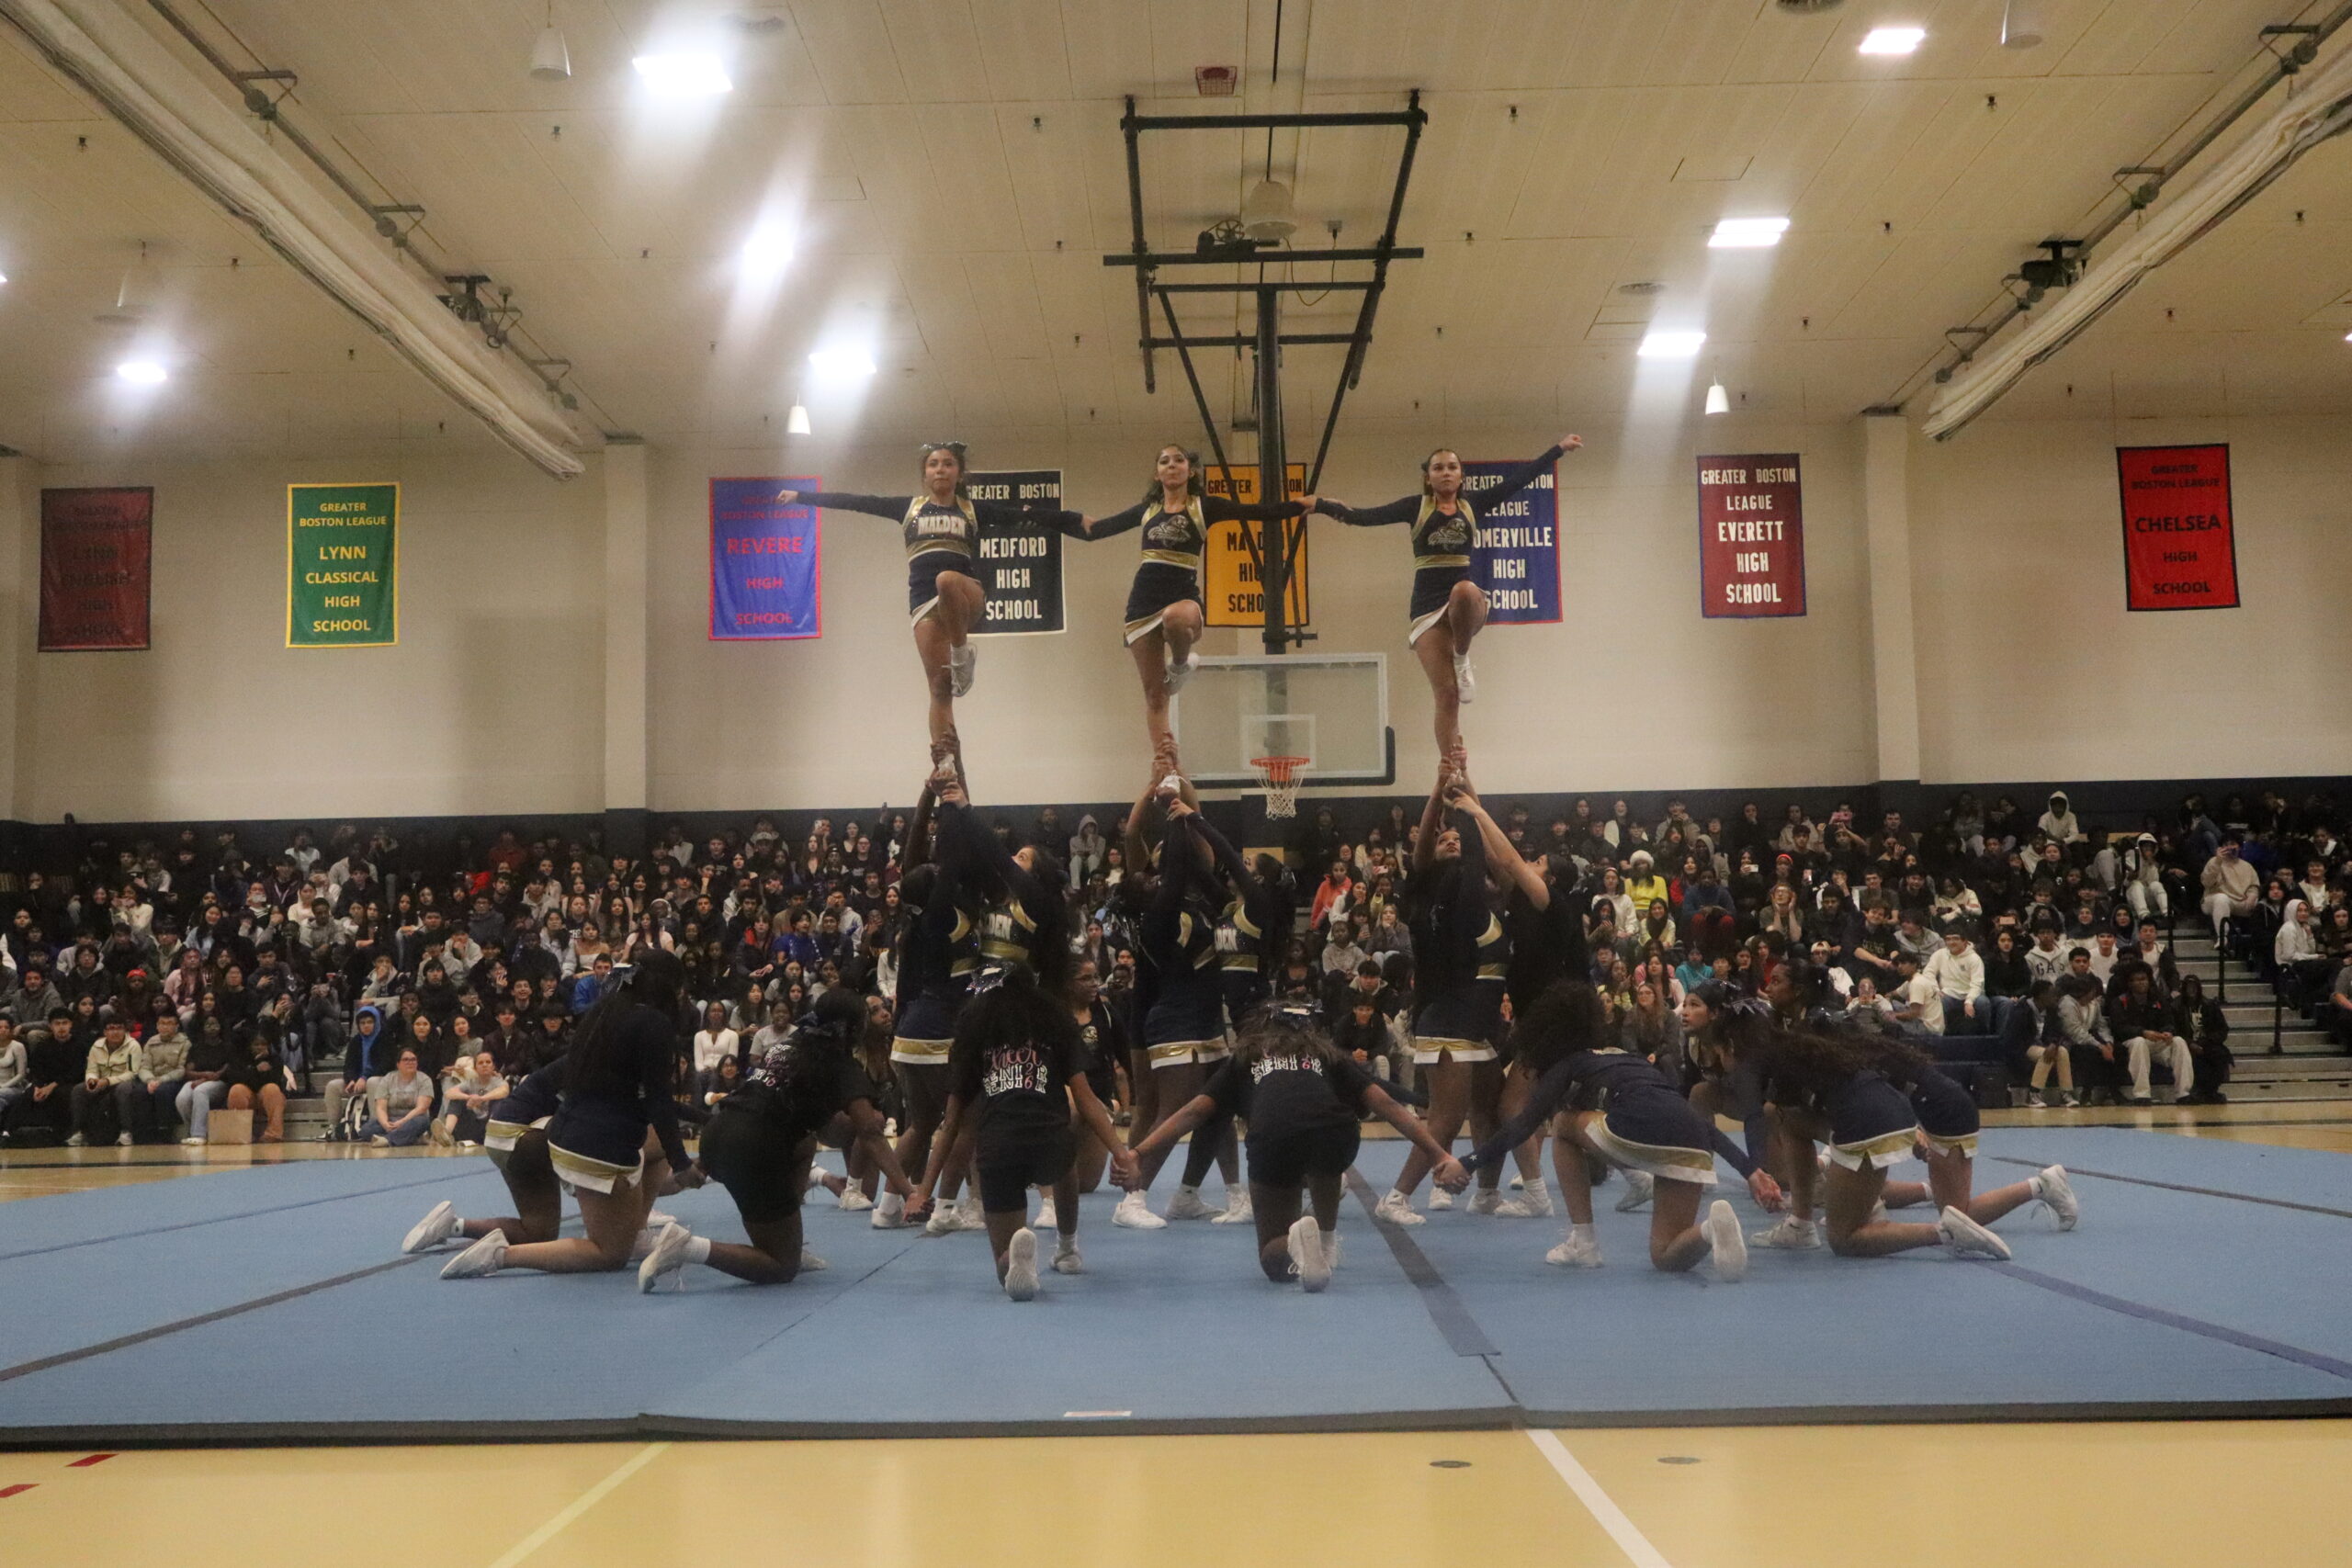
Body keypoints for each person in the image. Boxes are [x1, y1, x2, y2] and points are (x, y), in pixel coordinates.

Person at [1126, 1007, 1462, 1290]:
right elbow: (1386, 1104)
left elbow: (1192, 1112)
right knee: (1325, 1151)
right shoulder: (1328, 1055)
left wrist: (1139, 1152)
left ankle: (1294, 1246)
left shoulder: (1245, 1057)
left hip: (1275, 1136)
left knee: (1272, 1258)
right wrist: (1440, 1154)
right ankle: (1326, 1241)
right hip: (1336, 1134)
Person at [777, 447, 1084, 755]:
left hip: (966, 595)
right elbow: (856, 502)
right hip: (924, 603)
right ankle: (945, 761)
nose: (940, 469)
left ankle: (961, 654)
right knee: (939, 688)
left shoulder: (972, 510)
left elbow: (1023, 515)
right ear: (925, 474)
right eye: (933, 464)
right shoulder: (909, 508)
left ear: (959, 474)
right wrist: (801, 496)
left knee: (946, 579)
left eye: (948, 464)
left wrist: (1076, 520)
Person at [1442, 982, 1747, 1277]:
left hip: (1641, 1125)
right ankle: (1711, 1229)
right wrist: (1751, 1171)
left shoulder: (1569, 1064)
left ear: (1546, 1032)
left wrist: (1467, 1162)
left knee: (1563, 1124)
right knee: (1665, 1256)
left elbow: (1523, 1125)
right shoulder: (1625, 1057)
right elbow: (1695, 1121)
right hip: (1692, 1140)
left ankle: (1583, 1242)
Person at [1308, 433, 1581, 752]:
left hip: (1465, 605)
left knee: (1463, 590)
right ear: (1428, 477)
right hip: (1427, 607)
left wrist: (1558, 449)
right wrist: (1321, 505)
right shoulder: (1415, 507)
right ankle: (1450, 766)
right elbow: (1365, 517)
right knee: (1447, 695)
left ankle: (1462, 657)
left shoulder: (1473, 505)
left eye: (1452, 467)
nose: (1446, 472)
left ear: (1461, 475)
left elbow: (1519, 480)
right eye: (1438, 468)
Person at [440, 951, 705, 1280]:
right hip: (597, 1143)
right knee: (609, 1254)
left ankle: (632, 1229)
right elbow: (658, 1101)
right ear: (670, 988)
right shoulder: (654, 1023)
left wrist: (703, 1122)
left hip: (568, 1132)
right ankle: (500, 1255)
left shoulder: (605, 1012)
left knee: (653, 1154)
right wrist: (682, 1164)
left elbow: (646, 1098)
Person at [642, 987, 918, 1290]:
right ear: (852, 1028)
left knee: (804, 1142)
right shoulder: (841, 1066)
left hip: (720, 1129)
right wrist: (909, 1192)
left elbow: (825, 1128)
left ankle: (787, 1239)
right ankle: (687, 1247)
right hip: (752, 1148)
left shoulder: (793, 1042)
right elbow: (871, 1135)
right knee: (781, 1266)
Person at [1067, 445, 1310, 771]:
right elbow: (1094, 530)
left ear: (1190, 471)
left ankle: (1180, 666)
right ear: (1157, 474)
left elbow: (1259, 513)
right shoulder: (1148, 510)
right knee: (1155, 696)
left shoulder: (1204, 507)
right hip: (1142, 603)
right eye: (1164, 461)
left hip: (1183, 596)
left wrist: (1305, 505)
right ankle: (1166, 767)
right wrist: (1036, 516)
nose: (1171, 465)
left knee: (1175, 619)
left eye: (1178, 460)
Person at [913, 962, 1136, 1300]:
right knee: (1065, 1162)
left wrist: (923, 1191)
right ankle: (1067, 1246)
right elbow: (1086, 1098)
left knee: (1005, 1267)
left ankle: (1013, 1260)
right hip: (1049, 1138)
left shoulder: (975, 1037)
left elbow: (951, 1123)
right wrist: (1122, 1153)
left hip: (997, 1146)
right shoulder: (1055, 1025)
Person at [1373, 761, 1511, 1225]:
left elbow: (1489, 849)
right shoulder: (1424, 890)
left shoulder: (1483, 896)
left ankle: (1487, 1192)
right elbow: (1433, 849)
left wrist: (1465, 790)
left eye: (1456, 838)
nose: (1451, 840)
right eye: (1442, 839)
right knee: (1446, 1121)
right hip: (1447, 1015)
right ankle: (1396, 1198)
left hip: (1476, 1020)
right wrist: (1443, 794)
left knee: (1490, 1106)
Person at [67, 1017, 141, 1147]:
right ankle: (78, 1132)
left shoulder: (133, 1046)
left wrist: (107, 1081)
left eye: (119, 1028)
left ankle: (126, 1132)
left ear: (125, 1030)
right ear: (105, 1032)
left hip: (124, 1082)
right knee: (79, 1090)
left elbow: (132, 1073)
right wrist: (91, 1080)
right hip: (101, 1082)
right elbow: (91, 1069)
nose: (115, 1032)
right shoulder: (97, 1046)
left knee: (123, 1089)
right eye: (111, 1028)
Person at [2175, 974, 2233, 1104]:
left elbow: (2222, 1029)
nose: (2191, 990)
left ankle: (2211, 1091)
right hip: (2185, 1043)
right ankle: (2198, 1090)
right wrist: (2190, 1043)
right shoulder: (2176, 1007)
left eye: (2194, 987)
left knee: (2219, 1054)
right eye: (2188, 987)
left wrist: (2206, 1042)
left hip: (2207, 1043)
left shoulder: (2210, 1005)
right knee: (2193, 1057)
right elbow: (2175, 1031)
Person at [364, 1046, 435, 1145]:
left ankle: (386, 1140)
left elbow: (421, 1108)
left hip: (413, 1120)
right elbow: (380, 1107)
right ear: (398, 1064)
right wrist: (385, 1124)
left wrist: (402, 1122)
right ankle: (412, 1138)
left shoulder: (425, 1080)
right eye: (406, 1060)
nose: (410, 1062)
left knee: (421, 1122)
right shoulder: (388, 1079)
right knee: (366, 1130)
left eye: (413, 1060)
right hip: (391, 1120)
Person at [437, 1050, 507, 1146]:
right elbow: (449, 1093)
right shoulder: (470, 1082)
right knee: (456, 1100)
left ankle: (493, 1135)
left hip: (489, 1125)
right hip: (472, 1125)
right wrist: (469, 1097)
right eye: (480, 1063)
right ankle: (447, 1133)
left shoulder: (499, 1082)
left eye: (488, 1062)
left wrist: (481, 1099)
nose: (484, 1065)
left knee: (499, 1101)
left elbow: (504, 1091)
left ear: (493, 1066)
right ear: (475, 1068)